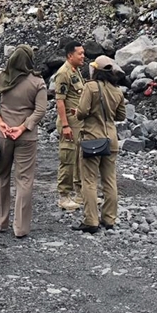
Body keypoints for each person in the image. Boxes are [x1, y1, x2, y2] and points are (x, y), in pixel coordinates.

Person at [0, 45, 46, 238]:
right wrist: (23, 127)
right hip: (26, 137)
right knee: (25, 180)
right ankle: (20, 228)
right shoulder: (38, 82)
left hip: (3, 136)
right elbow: (41, 110)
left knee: (1, 176)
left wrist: (1, 124)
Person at [73, 55, 126, 234]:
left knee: (89, 181)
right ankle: (109, 218)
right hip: (111, 141)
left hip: (92, 139)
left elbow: (82, 112)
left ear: (96, 70)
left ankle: (91, 220)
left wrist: (78, 112)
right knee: (110, 181)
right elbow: (121, 116)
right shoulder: (117, 90)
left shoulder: (91, 86)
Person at [53, 41, 86, 211]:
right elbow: (60, 101)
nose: (83, 56)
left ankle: (80, 194)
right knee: (67, 158)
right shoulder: (63, 73)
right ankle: (64, 196)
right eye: (79, 53)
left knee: (80, 158)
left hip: (79, 124)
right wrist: (65, 125)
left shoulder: (76, 71)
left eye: (83, 53)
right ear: (69, 56)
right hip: (69, 124)